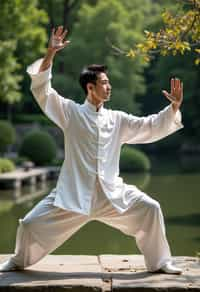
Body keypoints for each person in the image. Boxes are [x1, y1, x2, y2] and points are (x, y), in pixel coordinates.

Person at [0, 26, 184, 274]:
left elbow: (148, 126)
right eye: (104, 83)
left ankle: (161, 262)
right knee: (31, 224)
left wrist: (172, 109)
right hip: (73, 195)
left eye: (109, 83)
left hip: (111, 195)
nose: (109, 87)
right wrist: (50, 54)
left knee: (150, 208)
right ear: (90, 87)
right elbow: (43, 91)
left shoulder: (117, 119)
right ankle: (18, 260)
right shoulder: (71, 113)